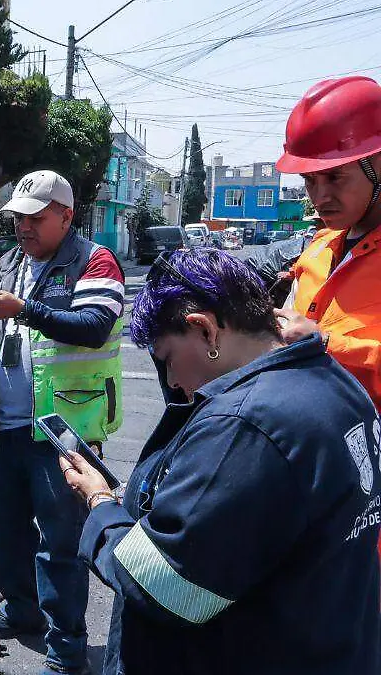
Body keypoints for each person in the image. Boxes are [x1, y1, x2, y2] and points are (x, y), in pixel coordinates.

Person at [61, 248, 381, 675]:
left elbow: (165, 585)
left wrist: (101, 507)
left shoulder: (246, 423)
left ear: (206, 330)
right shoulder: (330, 376)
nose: (172, 381)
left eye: (168, 358)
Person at [0, 170, 126, 675]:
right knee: (2, 528)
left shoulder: (93, 260)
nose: (24, 228)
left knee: (62, 545)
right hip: (4, 426)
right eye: (18, 218)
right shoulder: (10, 263)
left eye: (35, 217)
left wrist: (23, 309)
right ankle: (22, 610)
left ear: (66, 216)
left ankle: (67, 648)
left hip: (62, 435)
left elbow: (96, 327)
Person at [274, 75, 381, 411]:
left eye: (335, 177)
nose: (320, 197)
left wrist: (325, 343)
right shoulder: (318, 248)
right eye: (309, 180)